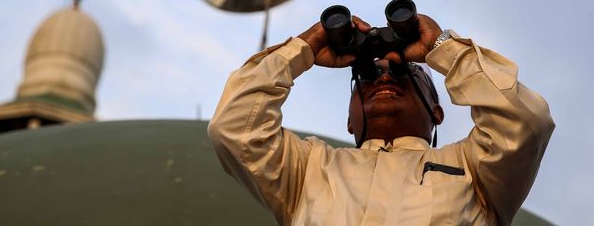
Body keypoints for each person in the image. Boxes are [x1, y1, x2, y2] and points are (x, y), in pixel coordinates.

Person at [208, 13, 554, 225]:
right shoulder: (309, 169)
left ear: (437, 110)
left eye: (403, 73)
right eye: (369, 77)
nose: (384, 78)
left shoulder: (473, 169)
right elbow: (234, 128)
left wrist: (442, 48)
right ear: (349, 120)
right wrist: (304, 48)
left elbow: (524, 120)